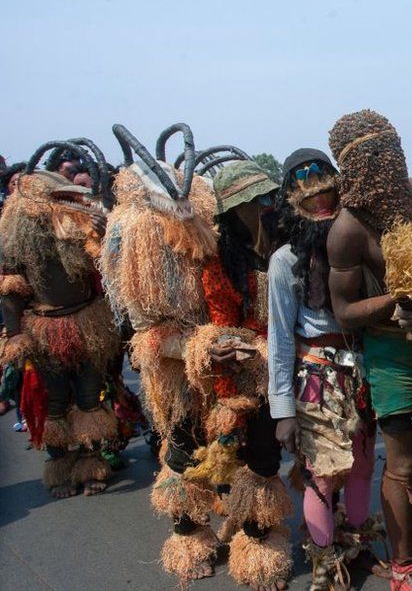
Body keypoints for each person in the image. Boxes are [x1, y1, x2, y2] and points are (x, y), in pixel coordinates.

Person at [102, 126, 291, 589]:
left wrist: (259, 350)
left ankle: (257, 540)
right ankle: (189, 537)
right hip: (185, 381)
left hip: (252, 373)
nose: (259, 210)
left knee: (259, 458)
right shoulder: (146, 234)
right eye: (249, 203)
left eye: (262, 200)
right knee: (187, 457)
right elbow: (146, 333)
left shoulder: (260, 249)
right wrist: (198, 348)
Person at [326, 110, 412, 590]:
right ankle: (404, 564)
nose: (386, 166)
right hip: (392, 358)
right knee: (403, 465)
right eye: (374, 158)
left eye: (391, 151)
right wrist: (396, 298)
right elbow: (344, 310)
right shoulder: (348, 228)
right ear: (355, 169)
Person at [267, 148, 384, 588]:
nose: (319, 201)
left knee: (361, 466)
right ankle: (323, 561)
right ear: (290, 202)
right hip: (316, 376)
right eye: (306, 194)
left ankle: (357, 546)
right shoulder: (284, 261)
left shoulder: (361, 246)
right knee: (322, 473)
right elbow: (279, 338)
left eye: (326, 190)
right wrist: (282, 411)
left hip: (363, 374)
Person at [0, 141, 121, 499]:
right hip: (44, 328)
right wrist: (14, 334)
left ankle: (91, 463)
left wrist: (101, 227)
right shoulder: (15, 236)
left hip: (87, 323)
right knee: (54, 402)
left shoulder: (77, 218)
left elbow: (105, 264)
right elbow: (10, 289)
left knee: (89, 396)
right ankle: (59, 466)